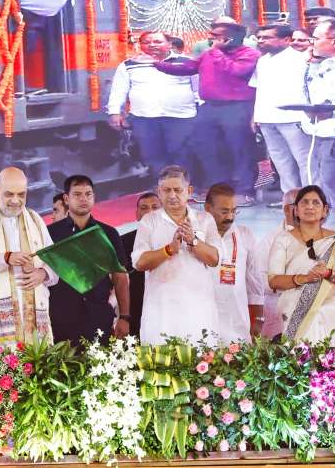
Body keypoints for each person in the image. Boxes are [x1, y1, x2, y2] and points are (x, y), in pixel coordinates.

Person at [156, 23, 261, 203]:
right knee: (206, 147)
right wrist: (156, 65)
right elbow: (188, 68)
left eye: (215, 35)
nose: (210, 38)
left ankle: (246, 191)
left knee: (239, 149)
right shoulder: (209, 53)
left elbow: (237, 71)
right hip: (210, 107)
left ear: (229, 38)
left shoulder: (249, 54)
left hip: (237, 107)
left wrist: (216, 52)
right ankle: (219, 186)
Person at [0, 167, 58, 348]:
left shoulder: (35, 220)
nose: (16, 200)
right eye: (9, 194)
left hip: (34, 325)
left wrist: (43, 274)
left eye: (21, 195)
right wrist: (5, 258)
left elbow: (55, 263)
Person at [132, 165, 222, 345]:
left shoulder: (204, 220)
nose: (172, 195)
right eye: (166, 190)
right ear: (159, 192)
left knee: (201, 360)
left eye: (177, 190)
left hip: (198, 310)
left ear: (189, 191)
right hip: (161, 311)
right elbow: (139, 263)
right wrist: (169, 250)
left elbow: (215, 259)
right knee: (160, 360)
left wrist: (193, 241)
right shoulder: (149, 221)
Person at [47, 175, 130, 345]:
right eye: (77, 194)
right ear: (66, 199)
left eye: (88, 194)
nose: (83, 199)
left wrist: (124, 317)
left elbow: (120, 277)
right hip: (60, 319)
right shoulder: (50, 233)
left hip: (99, 317)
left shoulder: (108, 233)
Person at [268, 185, 335, 343]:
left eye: (316, 203)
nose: (310, 206)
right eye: (304, 202)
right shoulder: (283, 239)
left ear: (325, 210)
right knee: (298, 357)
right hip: (294, 314)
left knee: (329, 357)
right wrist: (304, 278)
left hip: (331, 316)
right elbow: (274, 280)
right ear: (296, 210)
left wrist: (328, 273)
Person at [107, 31, 199, 179]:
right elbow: (119, 90)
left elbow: (198, 89)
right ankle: (162, 186)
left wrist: (201, 112)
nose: (151, 45)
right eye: (146, 42)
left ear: (169, 44)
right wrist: (114, 112)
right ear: (140, 45)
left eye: (157, 42)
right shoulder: (128, 65)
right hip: (144, 119)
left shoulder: (187, 62)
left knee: (181, 155)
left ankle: (183, 187)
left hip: (181, 118)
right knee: (153, 156)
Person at [302, 19, 335, 240]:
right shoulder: (330, 64)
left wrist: (334, 113)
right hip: (328, 136)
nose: (311, 42)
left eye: (316, 38)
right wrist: (313, 64)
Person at [250, 24, 314, 193]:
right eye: (259, 37)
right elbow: (259, 89)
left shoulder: (301, 60)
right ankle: (290, 196)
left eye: (267, 37)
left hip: (294, 118)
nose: (261, 41)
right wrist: (255, 116)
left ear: (286, 40)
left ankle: (311, 197)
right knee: (280, 160)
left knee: (304, 160)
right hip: (267, 117)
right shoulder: (262, 60)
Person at [204, 183, 263, 343]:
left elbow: (254, 280)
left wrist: (258, 318)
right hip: (204, 317)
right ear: (208, 208)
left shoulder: (245, 234)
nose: (230, 217)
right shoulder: (197, 236)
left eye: (234, 211)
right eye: (224, 211)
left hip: (236, 319)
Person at [256, 187, 300, 340]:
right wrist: (289, 282)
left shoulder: (322, 238)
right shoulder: (269, 241)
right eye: (303, 204)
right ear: (288, 210)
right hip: (278, 316)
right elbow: (259, 280)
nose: (309, 209)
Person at [120, 192, 161, 339]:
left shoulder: (174, 239)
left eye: (155, 207)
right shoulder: (123, 241)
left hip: (166, 307)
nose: (150, 212)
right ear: (137, 214)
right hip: (135, 309)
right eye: (144, 208)